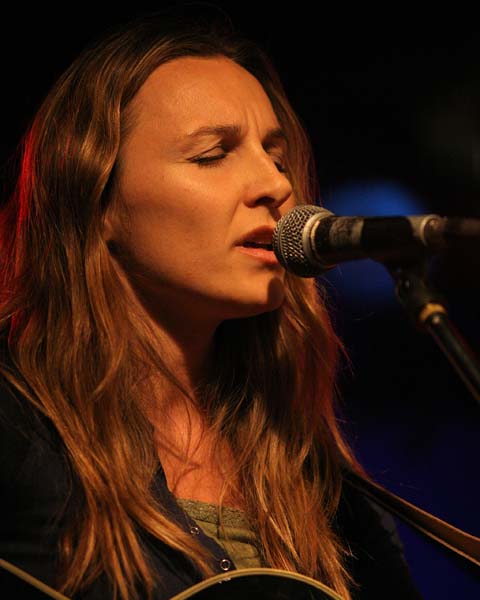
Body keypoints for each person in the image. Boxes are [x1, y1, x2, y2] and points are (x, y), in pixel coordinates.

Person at [0, 8, 423, 600]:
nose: (277, 185)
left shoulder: (329, 490)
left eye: (277, 158)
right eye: (212, 155)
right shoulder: (17, 432)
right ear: (95, 200)